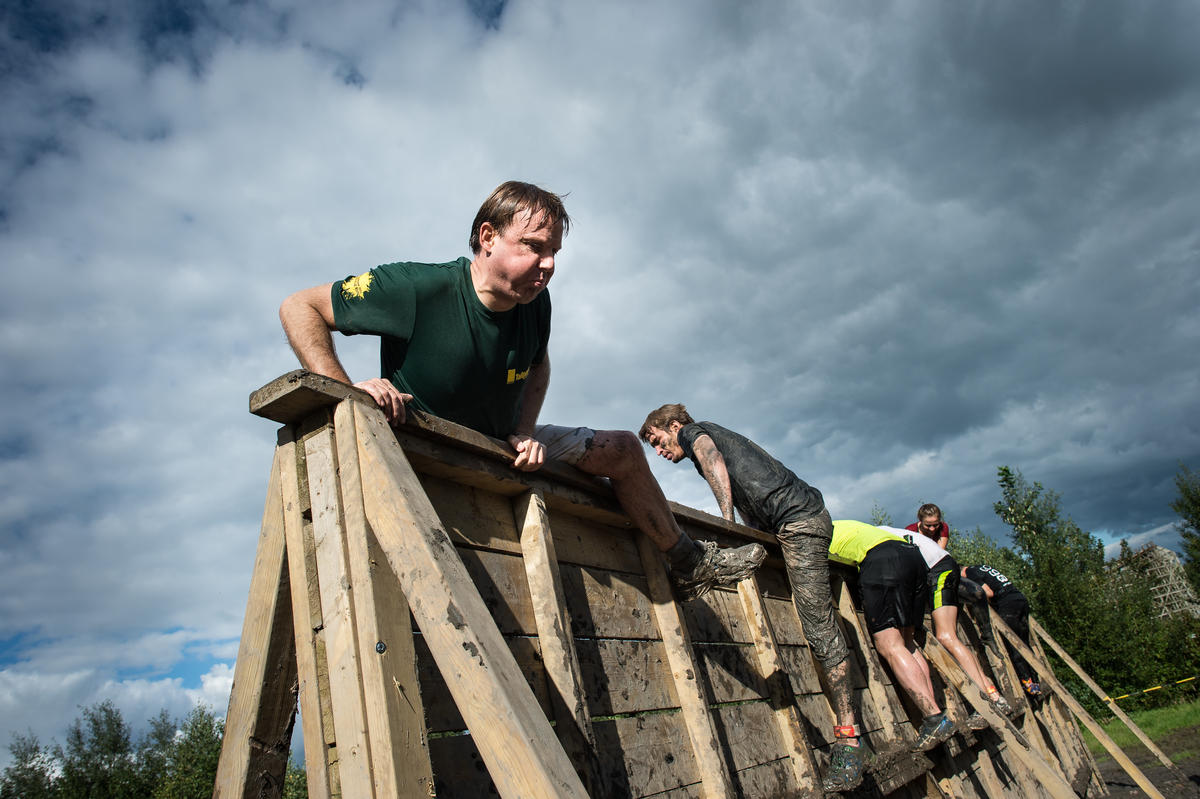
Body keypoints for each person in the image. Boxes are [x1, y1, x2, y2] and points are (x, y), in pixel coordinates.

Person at [278, 181, 764, 599]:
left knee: (622, 448)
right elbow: (300, 307)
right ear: (488, 237)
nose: (548, 264)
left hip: (501, 441)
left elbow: (539, 364)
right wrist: (349, 398)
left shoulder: (536, 303)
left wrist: (525, 429)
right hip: (421, 436)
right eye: (534, 246)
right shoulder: (415, 287)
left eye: (554, 252)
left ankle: (690, 563)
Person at [638, 407, 869, 791]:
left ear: (673, 427)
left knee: (817, 626)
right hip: (785, 524)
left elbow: (711, 457)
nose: (660, 452)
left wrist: (725, 522)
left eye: (658, 441)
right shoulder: (711, 434)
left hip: (801, 523)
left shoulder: (696, 433)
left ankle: (850, 740)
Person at [828, 520, 957, 753]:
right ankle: (936, 714)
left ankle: (933, 717)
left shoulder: (816, 533)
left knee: (889, 645)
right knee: (908, 643)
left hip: (883, 561)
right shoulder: (846, 525)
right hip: (913, 558)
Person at [880, 527, 1013, 724]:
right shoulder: (886, 531)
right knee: (951, 637)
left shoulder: (876, 538)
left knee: (946, 637)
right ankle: (994, 695)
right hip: (944, 565)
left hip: (937, 570)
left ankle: (986, 701)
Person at [961, 564, 1042, 698]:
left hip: (1007, 604)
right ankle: (1035, 680)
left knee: (1012, 644)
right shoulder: (982, 567)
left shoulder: (969, 572)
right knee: (1024, 642)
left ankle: (1028, 683)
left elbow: (987, 592)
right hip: (1019, 599)